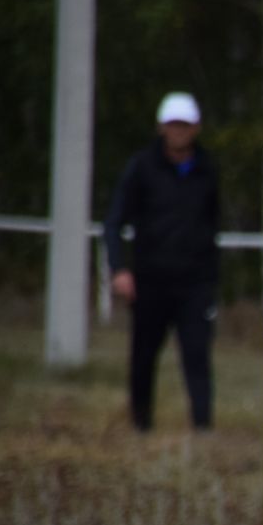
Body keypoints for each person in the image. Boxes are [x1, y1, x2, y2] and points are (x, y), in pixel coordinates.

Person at [104, 91, 221, 432]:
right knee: (143, 356)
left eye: (184, 125)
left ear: (195, 128)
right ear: (161, 127)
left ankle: (203, 426)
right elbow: (114, 223)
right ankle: (141, 424)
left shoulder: (208, 171)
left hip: (194, 283)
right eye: (173, 125)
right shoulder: (141, 168)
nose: (178, 131)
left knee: (197, 355)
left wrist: (211, 281)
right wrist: (119, 268)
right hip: (150, 279)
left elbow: (212, 225)